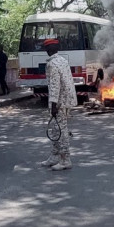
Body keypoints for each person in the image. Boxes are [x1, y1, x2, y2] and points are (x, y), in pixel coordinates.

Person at [41, 39, 77, 171]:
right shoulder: (63, 60)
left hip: (59, 102)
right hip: (67, 99)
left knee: (61, 131)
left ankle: (65, 159)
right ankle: (55, 156)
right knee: (56, 129)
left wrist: (54, 105)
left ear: (48, 49)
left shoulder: (52, 64)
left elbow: (55, 85)